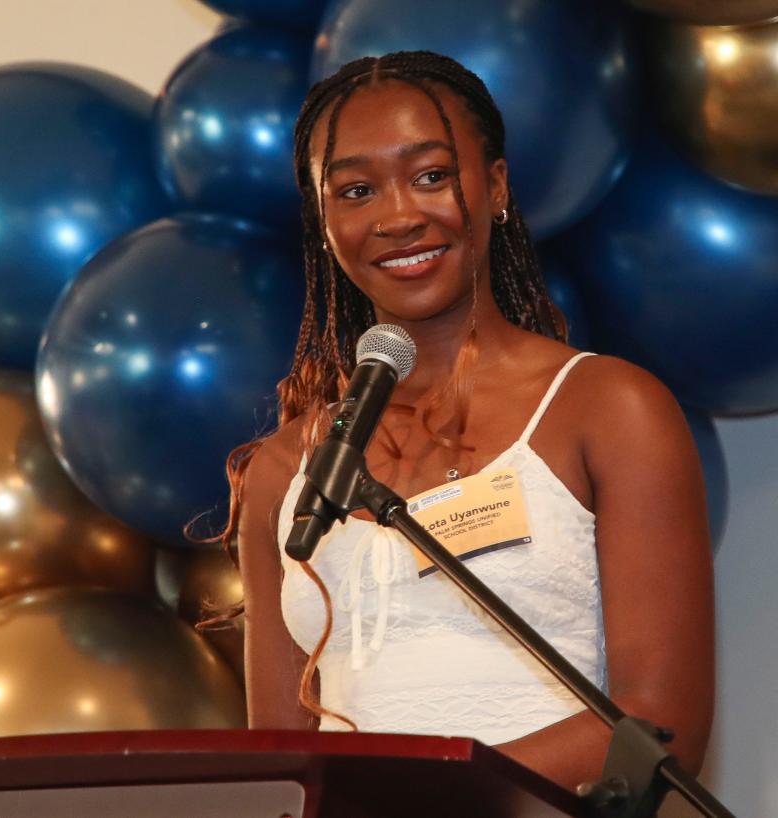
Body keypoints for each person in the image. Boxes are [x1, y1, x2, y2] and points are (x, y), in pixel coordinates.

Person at [227, 51, 714, 792]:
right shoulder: (284, 470)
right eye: (356, 190)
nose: (397, 216)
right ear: (324, 224)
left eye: (430, 175)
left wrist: (412, 799)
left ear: (496, 187)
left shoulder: (609, 408)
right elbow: (276, 775)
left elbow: (659, 731)